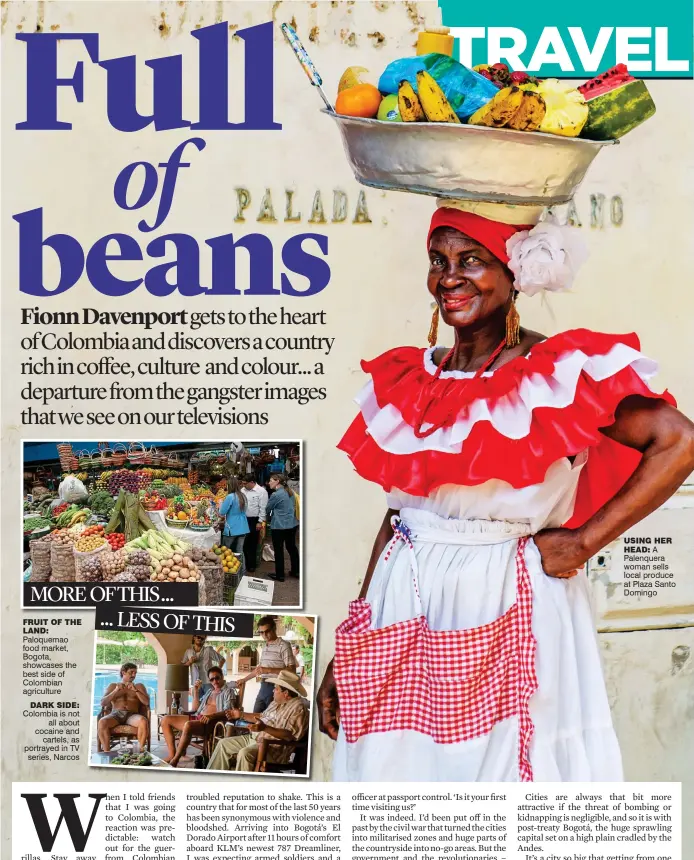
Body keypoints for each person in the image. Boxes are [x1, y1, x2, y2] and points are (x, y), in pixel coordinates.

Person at [318, 206, 694, 805]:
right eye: (439, 261)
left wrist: (582, 542)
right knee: (394, 782)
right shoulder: (414, 379)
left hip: (504, 593)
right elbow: (399, 519)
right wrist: (350, 646)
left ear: (513, 271)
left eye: (472, 261)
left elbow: (678, 441)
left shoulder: (555, 372)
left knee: (505, 785)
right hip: (403, 601)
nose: (450, 278)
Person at [206, 670, 309, 772]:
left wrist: (265, 728)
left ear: (285, 693)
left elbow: (289, 735)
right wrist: (241, 715)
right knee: (223, 744)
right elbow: (261, 716)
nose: (273, 691)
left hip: (271, 748)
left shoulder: (298, 708)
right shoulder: (276, 702)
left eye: (276, 689)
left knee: (245, 753)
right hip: (256, 738)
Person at [161, 666, 236, 767]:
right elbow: (196, 708)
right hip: (198, 717)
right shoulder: (209, 692)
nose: (215, 681)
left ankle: (176, 759)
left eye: (217, 678)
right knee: (165, 719)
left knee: (188, 725)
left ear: (222, 676)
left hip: (211, 722)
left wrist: (211, 716)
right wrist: (196, 691)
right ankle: (171, 754)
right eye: (212, 679)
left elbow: (229, 710)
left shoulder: (228, 692)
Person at [236, 615, 295, 713]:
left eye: (267, 631)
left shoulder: (284, 645)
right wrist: (244, 679)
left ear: (274, 628)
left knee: (269, 719)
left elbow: (292, 670)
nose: (264, 635)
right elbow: (259, 670)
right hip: (263, 686)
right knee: (255, 716)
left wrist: (268, 670)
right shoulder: (265, 646)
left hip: (276, 687)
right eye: (261, 632)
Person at [97, 662, 150, 752]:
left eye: (135, 673)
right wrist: (116, 690)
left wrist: (136, 690)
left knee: (143, 721)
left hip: (132, 715)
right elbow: (103, 703)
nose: (134, 675)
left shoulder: (139, 686)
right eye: (131, 672)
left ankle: (141, 752)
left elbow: (146, 702)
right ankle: (107, 752)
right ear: (123, 672)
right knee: (102, 722)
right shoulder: (113, 686)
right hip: (115, 715)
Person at [266, 473, 299, 582]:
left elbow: (268, 509)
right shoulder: (291, 493)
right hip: (292, 524)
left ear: (277, 481)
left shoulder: (276, 495)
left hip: (279, 526)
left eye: (271, 480)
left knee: (279, 550)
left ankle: (280, 575)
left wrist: (269, 518)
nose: (269, 482)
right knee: (291, 548)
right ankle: (296, 571)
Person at [181, 635, 224, 700]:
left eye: (202, 638)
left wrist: (216, 673)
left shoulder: (208, 650)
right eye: (198, 637)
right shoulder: (188, 651)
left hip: (208, 682)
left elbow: (222, 660)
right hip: (196, 684)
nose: (200, 639)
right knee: (196, 704)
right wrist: (190, 662)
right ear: (194, 637)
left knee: (209, 703)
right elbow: (183, 666)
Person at [242, 473, 268, 574]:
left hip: (254, 520)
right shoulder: (242, 490)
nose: (243, 485)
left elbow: (263, 508)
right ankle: (244, 564)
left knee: (252, 543)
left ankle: (251, 565)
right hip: (243, 519)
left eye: (245, 483)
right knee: (244, 543)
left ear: (252, 482)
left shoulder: (261, 491)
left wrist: (260, 521)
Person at [218, 478, 249, 554]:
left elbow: (222, 512)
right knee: (240, 551)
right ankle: (242, 566)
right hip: (243, 526)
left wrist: (220, 504)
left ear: (230, 486)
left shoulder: (230, 497)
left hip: (231, 527)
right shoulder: (243, 496)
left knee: (226, 551)